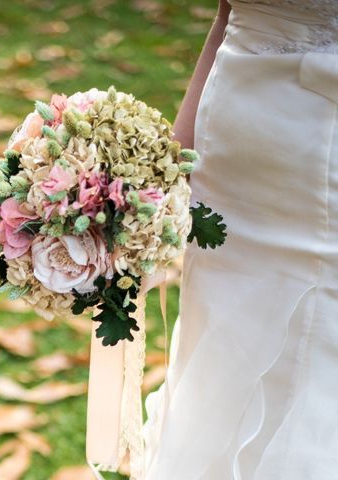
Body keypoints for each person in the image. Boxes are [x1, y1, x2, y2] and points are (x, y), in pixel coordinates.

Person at [142, 1, 338, 478]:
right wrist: (168, 168)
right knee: (219, 376)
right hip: (227, 163)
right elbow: (229, 13)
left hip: (324, 166)